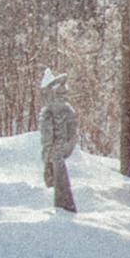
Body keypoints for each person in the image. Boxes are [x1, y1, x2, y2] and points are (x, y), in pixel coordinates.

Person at [36, 68, 79, 214]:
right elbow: (72, 134)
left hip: (55, 150)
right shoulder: (67, 109)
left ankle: (63, 206)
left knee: (58, 179)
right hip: (60, 149)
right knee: (59, 178)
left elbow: (47, 136)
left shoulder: (50, 111)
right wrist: (65, 147)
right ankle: (64, 205)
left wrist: (48, 153)